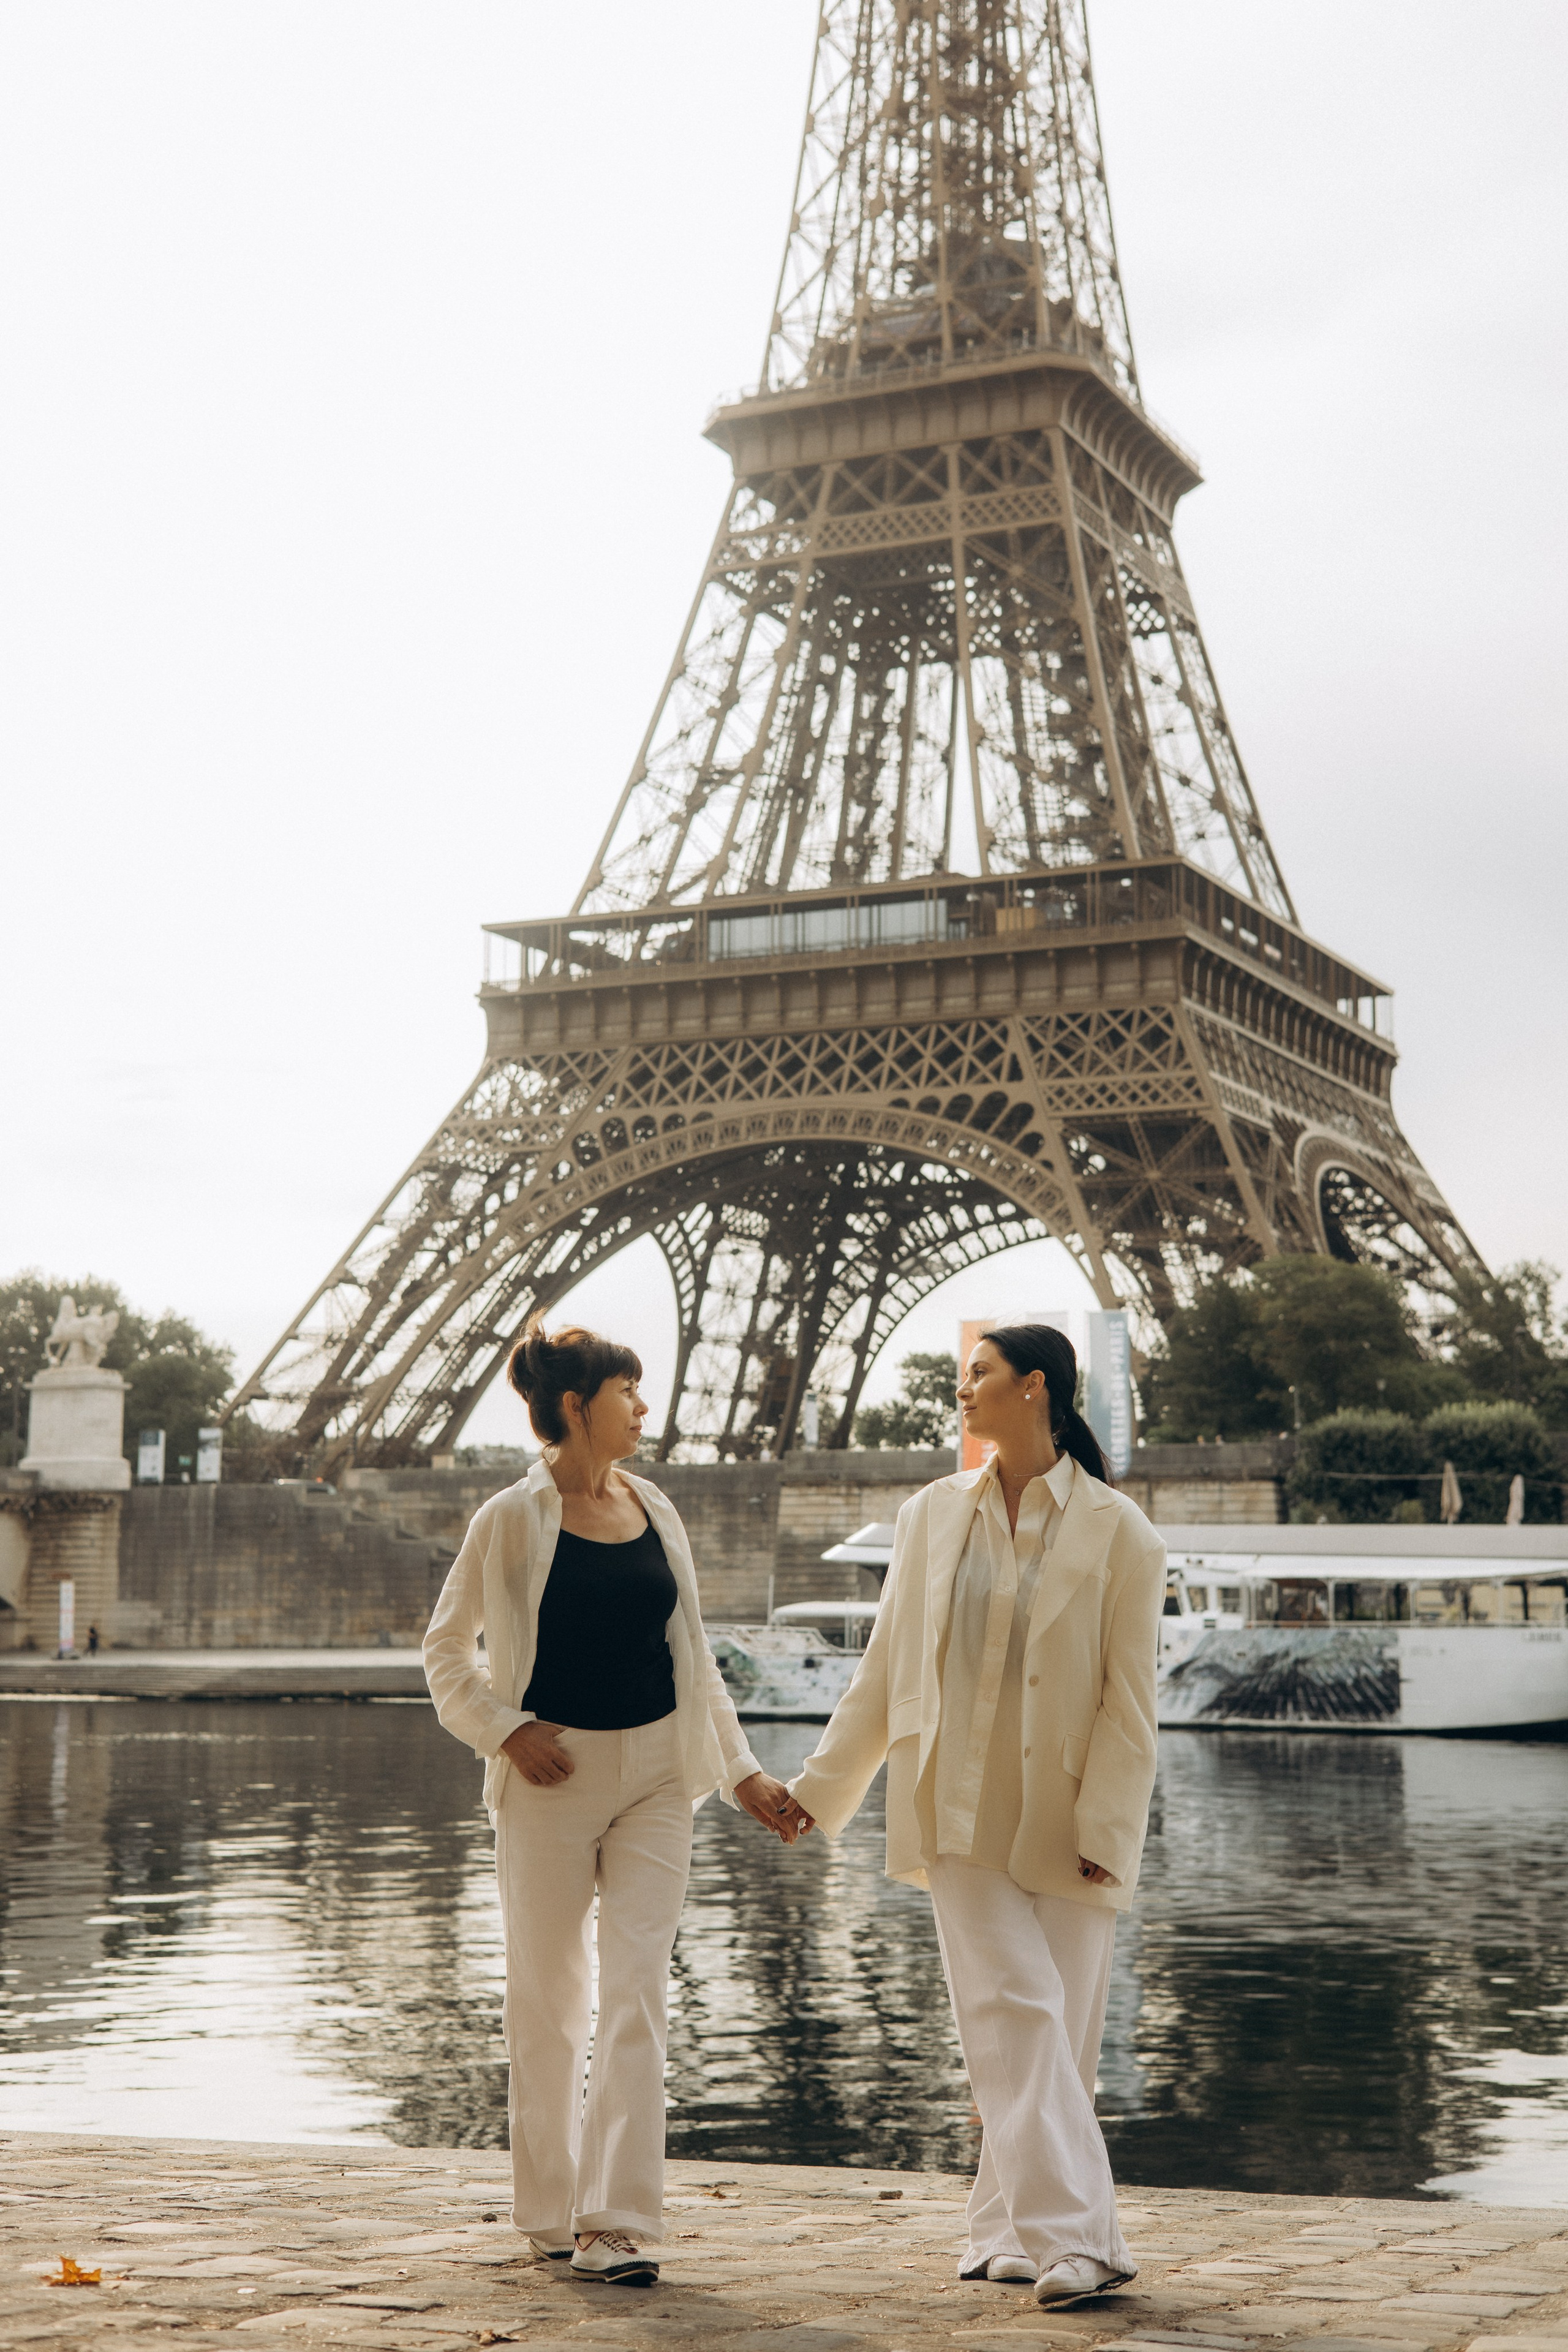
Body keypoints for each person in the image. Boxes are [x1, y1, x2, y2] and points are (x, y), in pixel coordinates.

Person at [423, 1320, 805, 2288]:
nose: (644, 1408)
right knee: (548, 2000)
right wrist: (505, 1728)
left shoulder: (656, 1508)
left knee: (639, 1989)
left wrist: (742, 1771)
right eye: (627, 1393)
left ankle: (616, 2221)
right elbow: (445, 1646)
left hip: (658, 1778)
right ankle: (550, 2209)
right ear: (571, 1408)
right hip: (551, 1777)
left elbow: (695, 1657)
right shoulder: (510, 1516)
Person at [786, 1325, 1162, 2309]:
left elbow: (1131, 1702)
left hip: (1071, 1811)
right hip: (953, 1802)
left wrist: (1108, 1829)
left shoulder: (1122, 1530)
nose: (962, 1388)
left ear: (1035, 1387)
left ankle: (1002, 2224)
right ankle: (1085, 2240)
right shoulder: (928, 1516)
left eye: (978, 1373)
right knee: (1014, 2012)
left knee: (1058, 2033)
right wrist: (820, 1791)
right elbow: (884, 1671)